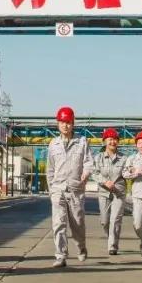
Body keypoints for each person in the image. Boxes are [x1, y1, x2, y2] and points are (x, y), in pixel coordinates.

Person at [47, 106, 93, 268]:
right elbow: (50, 169)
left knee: (77, 223)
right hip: (58, 189)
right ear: (58, 124)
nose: (65, 125)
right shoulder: (53, 144)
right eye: (62, 122)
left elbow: (89, 162)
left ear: (73, 124)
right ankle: (60, 255)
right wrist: (51, 190)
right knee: (58, 223)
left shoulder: (82, 142)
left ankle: (81, 247)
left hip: (75, 189)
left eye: (68, 122)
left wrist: (86, 173)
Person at [93, 127, 127, 256]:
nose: (113, 142)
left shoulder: (124, 158)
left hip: (119, 192)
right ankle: (110, 238)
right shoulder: (98, 158)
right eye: (110, 139)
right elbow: (94, 173)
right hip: (104, 192)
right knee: (105, 221)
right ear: (105, 141)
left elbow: (128, 173)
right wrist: (104, 181)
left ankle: (113, 245)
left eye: (115, 139)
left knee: (115, 219)